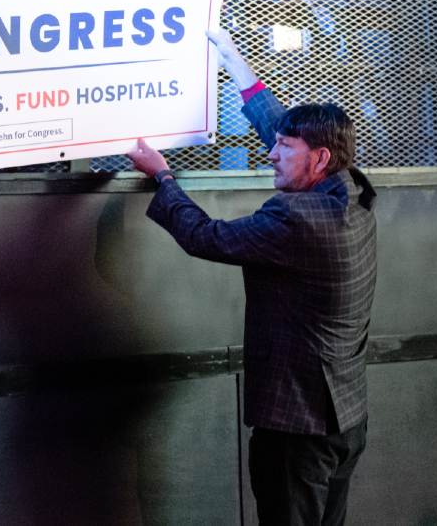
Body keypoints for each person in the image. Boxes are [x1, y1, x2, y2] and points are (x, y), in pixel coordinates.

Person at [126, 28, 377, 526]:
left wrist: (163, 176)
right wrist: (233, 60)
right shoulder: (351, 190)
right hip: (344, 419)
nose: (270, 154)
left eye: (282, 148)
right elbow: (282, 134)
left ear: (319, 158)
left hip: (296, 429)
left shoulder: (296, 221)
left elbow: (205, 237)